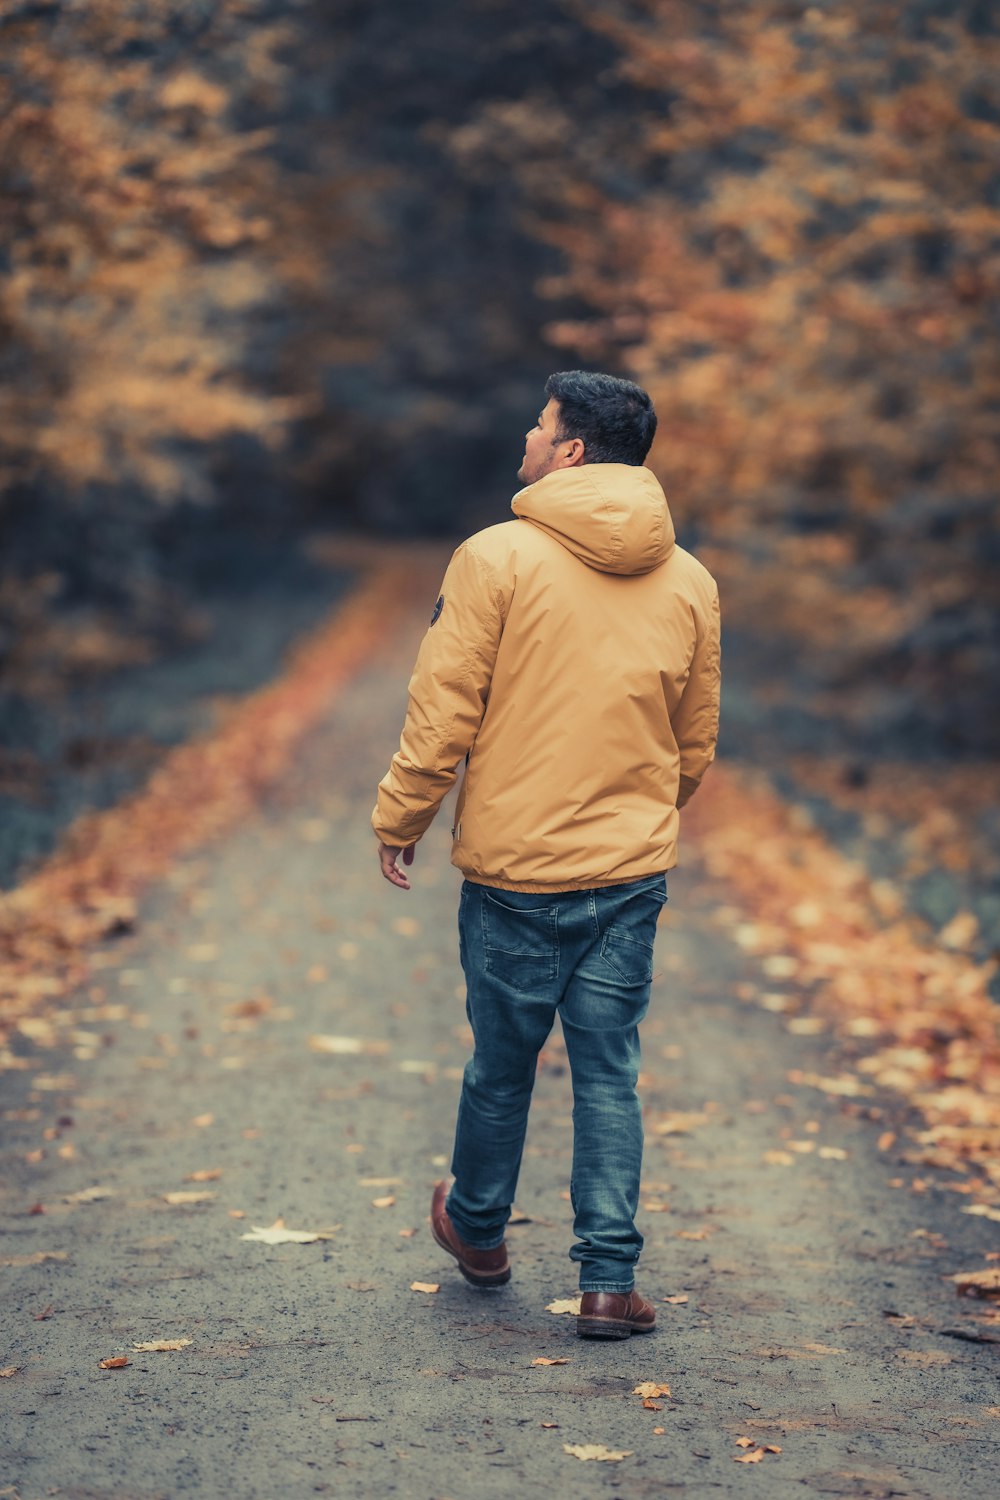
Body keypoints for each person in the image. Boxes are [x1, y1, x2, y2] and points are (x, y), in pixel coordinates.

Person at [372, 370, 720, 1340]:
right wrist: (636, 814)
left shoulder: (494, 558)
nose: (525, 434)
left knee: (502, 1064)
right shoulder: (689, 579)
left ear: (568, 451)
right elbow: (693, 744)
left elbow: (442, 714)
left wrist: (401, 814)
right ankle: (609, 1284)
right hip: (628, 875)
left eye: (539, 423)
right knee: (609, 1070)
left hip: (515, 875)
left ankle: (477, 1228)